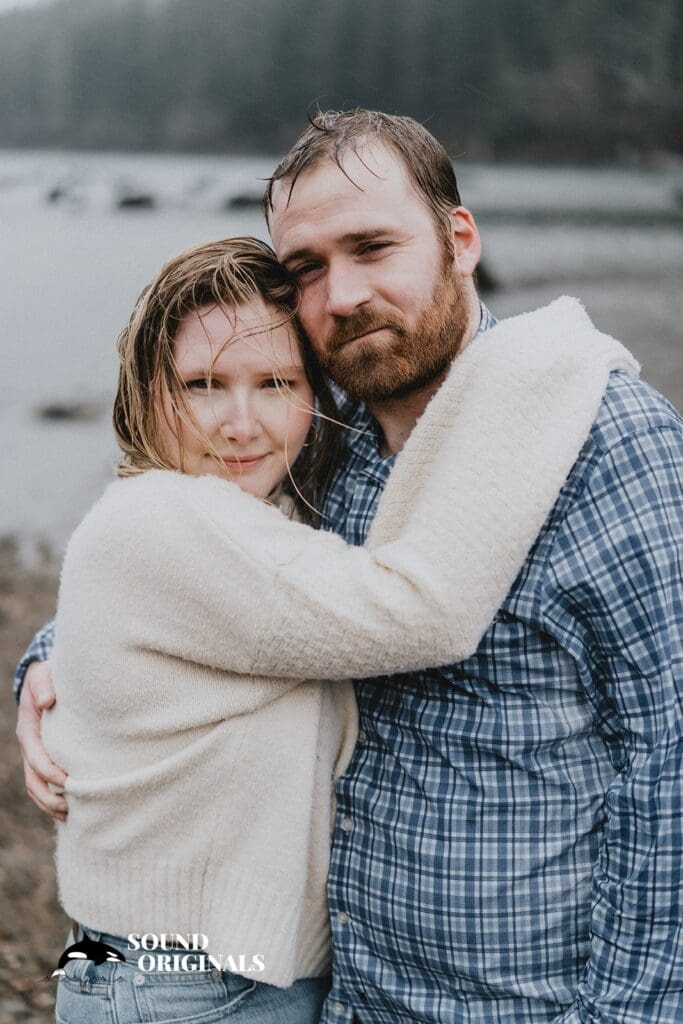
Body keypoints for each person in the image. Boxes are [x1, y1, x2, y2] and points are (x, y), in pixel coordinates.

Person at [15, 109, 683, 1024]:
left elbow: (669, 756)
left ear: (459, 241)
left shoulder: (610, 443)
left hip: (520, 1005)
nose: (343, 295)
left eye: (373, 247)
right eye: (307, 269)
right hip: (334, 992)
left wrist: (628, 1013)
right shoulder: (326, 448)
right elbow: (197, 582)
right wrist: (49, 666)